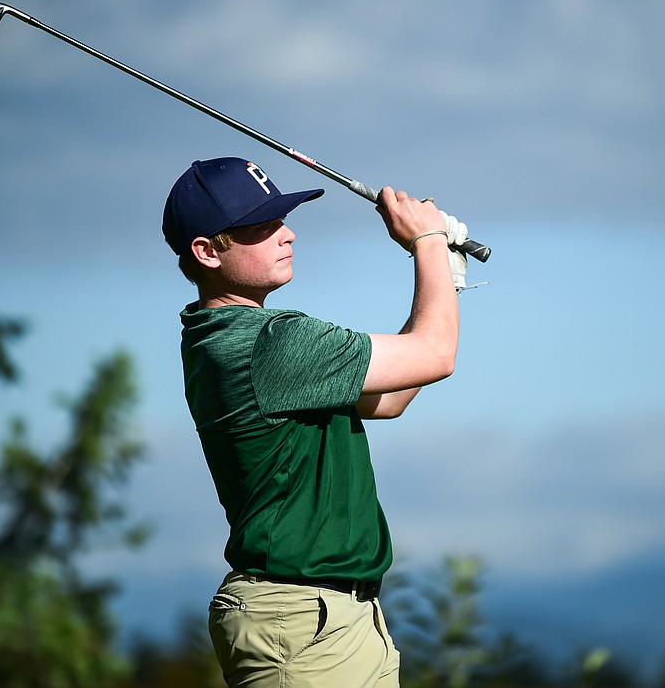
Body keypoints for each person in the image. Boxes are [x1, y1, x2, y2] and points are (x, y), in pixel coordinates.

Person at [161, 156, 469, 687]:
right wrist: (428, 243)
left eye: (282, 219)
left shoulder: (234, 339)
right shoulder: (271, 344)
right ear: (208, 252)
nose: (288, 234)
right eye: (262, 227)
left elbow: (389, 398)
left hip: (329, 618)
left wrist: (446, 273)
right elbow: (437, 353)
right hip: (302, 620)